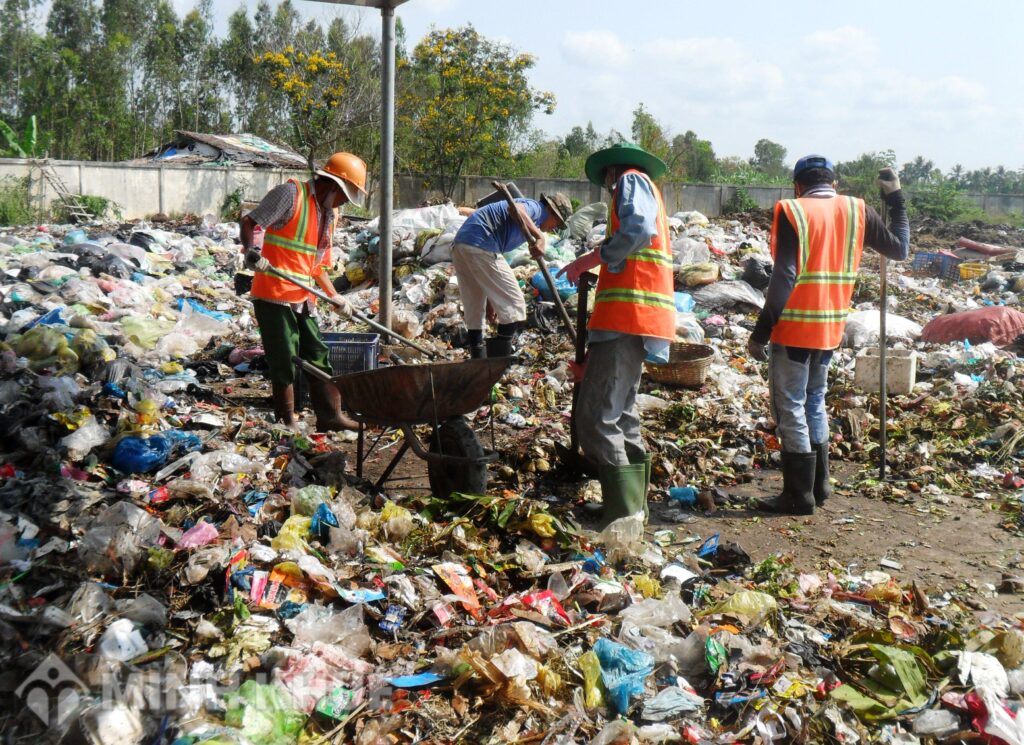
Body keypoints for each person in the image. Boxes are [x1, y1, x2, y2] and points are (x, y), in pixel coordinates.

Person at [747, 155, 909, 514]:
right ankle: (819, 487)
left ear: (797, 185)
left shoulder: (792, 210)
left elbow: (785, 276)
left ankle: (798, 496)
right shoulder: (857, 210)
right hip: (831, 328)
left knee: (789, 405)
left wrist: (761, 331)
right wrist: (896, 199)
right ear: (833, 184)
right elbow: (900, 248)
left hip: (793, 328)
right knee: (814, 401)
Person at [558, 142, 676, 527]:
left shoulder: (630, 180)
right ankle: (631, 509)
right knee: (621, 414)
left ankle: (623, 516)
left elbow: (638, 228)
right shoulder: (645, 187)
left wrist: (592, 258)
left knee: (595, 419)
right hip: (636, 319)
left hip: (629, 316)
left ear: (611, 172)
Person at [239, 152, 368, 432]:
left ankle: (330, 416)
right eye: (346, 195)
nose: (345, 202)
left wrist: (335, 297)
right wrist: (252, 252)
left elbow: (318, 265)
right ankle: (287, 421)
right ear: (333, 185)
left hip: (304, 297)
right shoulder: (290, 195)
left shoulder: (329, 215)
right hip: (274, 293)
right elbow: (250, 222)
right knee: (284, 357)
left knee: (317, 352)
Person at [451, 192, 572, 358]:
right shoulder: (536, 208)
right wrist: (540, 237)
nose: (554, 227)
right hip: (481, 244)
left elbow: (489, 274)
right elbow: (514, 209)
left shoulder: (532, 216)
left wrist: (493, 300)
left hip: (462, 244)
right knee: (515, 304)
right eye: (557, 221)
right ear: (550, 210)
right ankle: (498, 361)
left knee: (474, 305)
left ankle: (477, 358)